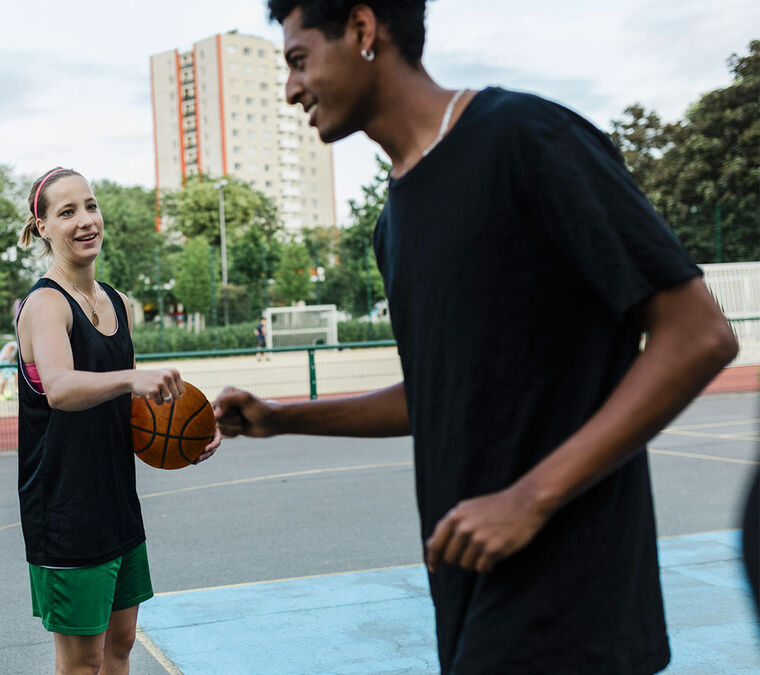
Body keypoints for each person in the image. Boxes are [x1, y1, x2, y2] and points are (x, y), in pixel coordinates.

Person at [213, 2, 739, 672]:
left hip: (575, 600)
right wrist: (282, 418)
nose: (290, 89)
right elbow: (437, 392)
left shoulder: (525, 137)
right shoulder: (393, 223)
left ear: (363, 30)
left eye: (297, 59)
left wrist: (530, 497)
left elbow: (699, 333)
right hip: (469, 589)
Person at [15, 167, 220, 675]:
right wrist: (133, 378)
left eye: (90, 205)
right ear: (43, 227)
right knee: (81, 662)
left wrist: (185, 433)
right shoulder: (44, 305)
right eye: (67, 212)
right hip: (65, 509)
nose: (85, 221)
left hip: (116, 500)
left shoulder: (118, 303)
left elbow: (126, 412)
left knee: (121, 644)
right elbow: (62, 388)